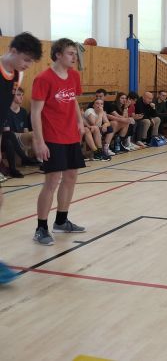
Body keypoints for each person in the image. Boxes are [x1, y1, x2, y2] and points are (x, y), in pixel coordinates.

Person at [31, 38, 87, 246]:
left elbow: (73, 100)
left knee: (71, 177)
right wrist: (39, 141)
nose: (75, 57)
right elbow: (35, 113)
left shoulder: (74, 75)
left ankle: (61, 221)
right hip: (52, 137)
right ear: (58, 55)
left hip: (71, 135)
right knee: (52, 181)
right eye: (71, 53)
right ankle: (41, 228)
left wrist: (80, 121)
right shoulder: (43, 78)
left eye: (75, 54)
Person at [0, 32, 42, 281]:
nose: (28, 65)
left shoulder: (18, 75)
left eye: (31, 61)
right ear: (13, 51)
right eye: (26, 59)